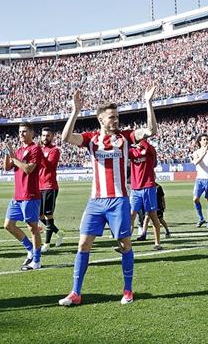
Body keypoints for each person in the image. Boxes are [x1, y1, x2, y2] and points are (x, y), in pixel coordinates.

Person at [58, 86, 157, 306]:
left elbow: (151, 131)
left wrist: (148, 103)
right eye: (111, 117)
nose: (116, 120)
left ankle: (128, 290)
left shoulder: (126, 137)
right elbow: (66, 137)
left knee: (125, 244)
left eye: (117, 117)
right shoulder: (90, 139)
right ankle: (75, 292)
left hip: (119, 200)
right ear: (101, 120)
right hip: (96, 201)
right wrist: (75, 111)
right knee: (83, 244)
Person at [3, 123, 44, 270]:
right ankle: (30, 249)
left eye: (24, 131)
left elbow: (28, 169)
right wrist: (9, 152)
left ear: (32, 133)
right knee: (8, 225)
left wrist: (14, 159)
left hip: (30, 195)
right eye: (20, 132)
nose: (21, 134)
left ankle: (37, 261)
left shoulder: (35, 149)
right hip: (18, 195)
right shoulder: (19, 150)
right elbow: (6, 167)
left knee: (32, 228)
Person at [129, 139, 163, 251]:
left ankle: (157, 243)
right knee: (131, 215)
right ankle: (126, 242)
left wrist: (142, 142)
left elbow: (149, 149)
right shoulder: (132, 151)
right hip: (135, 188)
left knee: (153, 215)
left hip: (148, 187)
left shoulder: (150, 149)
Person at [39, 126, 64, 252]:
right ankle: (58, 232)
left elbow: (49, 166)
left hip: (50, 186)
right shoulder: (39, 149)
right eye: (43, 135)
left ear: (52, 137)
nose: (45, 138)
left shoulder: (54, 150)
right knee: (40, 215)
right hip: (38, 186)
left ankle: (47, 244)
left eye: (48, 135)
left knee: (48, 215)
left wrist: (40, 155)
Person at [191, 134, 208, 228]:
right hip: (200, 179)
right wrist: (203, 153)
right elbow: (195, 162)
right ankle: (201, 218)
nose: (206, 141)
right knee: (195, 199)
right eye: (204, 139)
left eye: (207, 139)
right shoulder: (196, 152)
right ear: (200, 142)